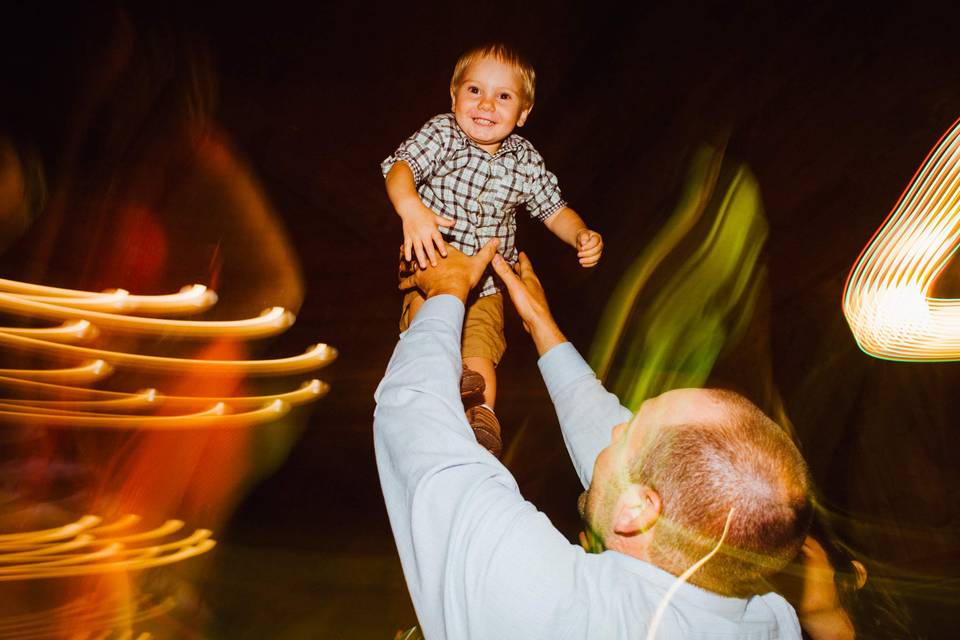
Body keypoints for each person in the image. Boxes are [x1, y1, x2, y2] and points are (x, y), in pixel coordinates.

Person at [374, 240, 813, 639]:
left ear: (639, 510)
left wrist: (448, 290)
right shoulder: (770, 620)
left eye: (629, 430)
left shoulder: (557, 609)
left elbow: (417, 423)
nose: (615, 428)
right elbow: (632, 450)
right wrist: (542, 327)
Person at [381, 43, 603, 455]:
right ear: (453, 96)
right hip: (433, 266)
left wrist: (581, 234)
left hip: (485, 282)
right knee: (431, 328)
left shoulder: (524, 160)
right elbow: (400, 168)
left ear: (522, 113)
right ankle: (437, 381)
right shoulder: (443, 134)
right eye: (474, 90)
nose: (486, 103)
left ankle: (481, 419)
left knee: (482, 347)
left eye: (503, 96)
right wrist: (410, 208)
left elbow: (554, 211)